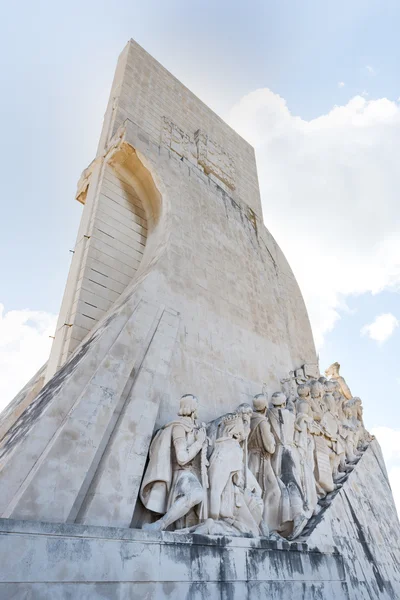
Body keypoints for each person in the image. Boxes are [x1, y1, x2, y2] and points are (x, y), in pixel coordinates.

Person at [140, 394, 206, 531]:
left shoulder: (195, 429)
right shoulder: (179, 428)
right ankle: (160, 525)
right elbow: (182, 457)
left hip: (193, 475)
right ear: (193, 409)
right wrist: (199, 442)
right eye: (197, 406)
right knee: (196, 494)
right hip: (180, 474)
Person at [247, 393, 281, 535]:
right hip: (262, 461)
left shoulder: (249, 420)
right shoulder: (263, 423)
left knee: (257, 493)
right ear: (265, 407)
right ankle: (266, 526)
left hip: (251, 458)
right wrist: (272, 438)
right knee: (274, 492)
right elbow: (270, 448)